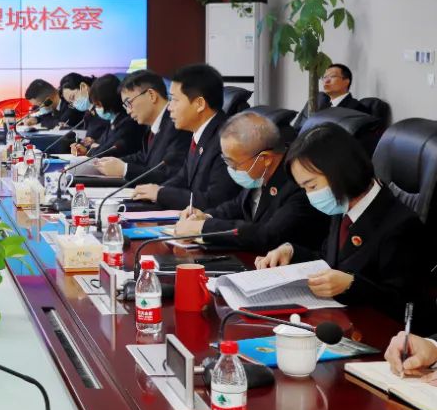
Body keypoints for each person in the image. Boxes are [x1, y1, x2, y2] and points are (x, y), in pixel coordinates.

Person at [255, 124, 426, 319]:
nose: (310, 195)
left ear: (341, 172)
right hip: (338, 318)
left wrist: (352, 285)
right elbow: (330, 261)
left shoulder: (401, 225)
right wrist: (291, 252)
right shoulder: (342, 206)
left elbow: (407, 306)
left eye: (312, 186)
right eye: (304, 188)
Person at [173, 112, 325, 253]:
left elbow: (267, 235)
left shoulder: (298, 183)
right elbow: (236, 206)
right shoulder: (258, 174)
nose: (230, 169)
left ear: (265, 158)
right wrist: (204, 217)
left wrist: (203, 228)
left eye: (234, 163)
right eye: (226, 161)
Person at [131, 64, 242, 210]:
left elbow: (215, 200)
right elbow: (183, 178)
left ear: (200, 104)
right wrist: (154, 191)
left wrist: (160, 194)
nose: (169, 107)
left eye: (175, 100)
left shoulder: (225, 140)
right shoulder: (200, 133)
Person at [93, 69, 190, 183]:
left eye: (129, 103)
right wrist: (113, 163)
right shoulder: (154, 126)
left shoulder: (177, 125)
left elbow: (170, 174)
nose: (128, 111)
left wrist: (125, 169)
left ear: (151, 95)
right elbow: (144, 158)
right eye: (125, 106)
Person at [71, 74, 142, 158]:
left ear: (108, 101)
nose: (96, 109)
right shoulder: (113, 121)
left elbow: (104, 151)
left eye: (98, 105)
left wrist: (90, 150)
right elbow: (101, 144)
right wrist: (86, 149)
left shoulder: (127, 123)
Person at [292, 63, 366, 128]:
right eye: (325, 77)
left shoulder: (356, 108)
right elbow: (296, 128)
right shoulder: (318, 103)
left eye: (332, 76)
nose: (326, 81)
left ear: (346, 81)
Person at [57, 72, 108, 138]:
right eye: (71, 102)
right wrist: (68, 128)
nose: (75, 104)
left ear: (83, 87)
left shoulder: (105, 102)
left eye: (73, 97)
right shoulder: (89, 111)